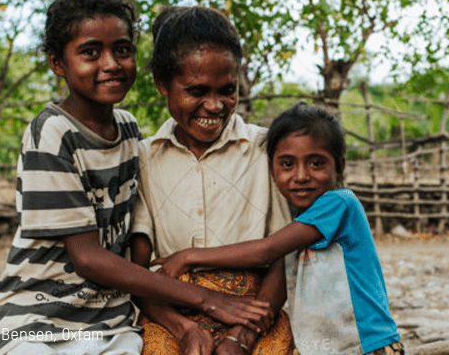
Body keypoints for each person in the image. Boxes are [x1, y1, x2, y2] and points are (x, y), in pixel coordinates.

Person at [0, 0, 271, 355]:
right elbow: (88, 256)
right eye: (90, 52)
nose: (111, 63)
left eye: (122, 49)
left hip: (109, 323)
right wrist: (207, 301)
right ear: (57, 62)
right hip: (35, 317)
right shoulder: (51, 133)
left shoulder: (129, 132)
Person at [151, 102, 406, 355]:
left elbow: (266, 251)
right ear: (272, 169)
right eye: (287, 164)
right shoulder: (300, 222)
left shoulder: (340, 203)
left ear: (339, 165)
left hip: (369, 345)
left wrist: (188, 256)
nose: (301, 175)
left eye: (316, 163)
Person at [130, 6, 295, 355]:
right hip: (172, 316)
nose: (215, 105)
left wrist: (241, 337)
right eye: (197, 90)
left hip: (255, 316)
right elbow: (138, 274)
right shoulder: (144, 158)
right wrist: (184, 328)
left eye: (227, 90)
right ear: (162, 83)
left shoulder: (264, 149)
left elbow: (283, 256)